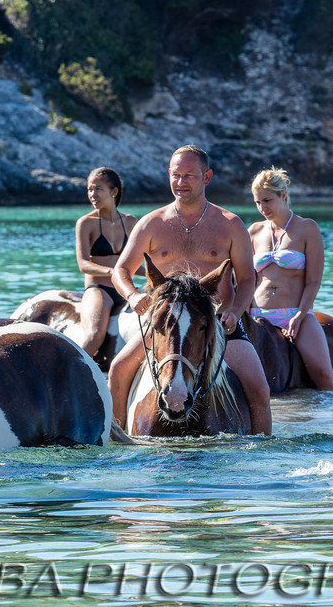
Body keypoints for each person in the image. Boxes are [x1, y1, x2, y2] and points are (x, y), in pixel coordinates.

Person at [109, 146, 272, 435]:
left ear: (206, 177)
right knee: (118, 370)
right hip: (164, 326)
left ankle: (263, 450)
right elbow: (120, 271)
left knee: (259, 387)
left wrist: (235, 312)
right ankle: (116, 441)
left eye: (189, 175)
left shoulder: (230, 224)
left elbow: (248, 278)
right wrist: (133, 295)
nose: (181, 182)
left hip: (219, 325)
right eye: (175, 175)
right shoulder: (151, 223)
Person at [248, 169, 333, 389]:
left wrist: (299, 315)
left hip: (295, 314)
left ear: (283, 195)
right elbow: (247, 279)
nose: (262, 207)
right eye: (258, 202)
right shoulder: (254, 231)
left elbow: (313, 281)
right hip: (257, 316)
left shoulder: (307, 228)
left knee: (324, 375)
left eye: (267, 200)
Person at [68, 167, 139, 356]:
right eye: (90, 189)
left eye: (98, 189)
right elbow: (83, 264)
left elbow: (136, 263)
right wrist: (113, 272)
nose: (93, 194)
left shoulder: (130, 222)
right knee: (94, 336)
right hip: (99, 290)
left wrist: (161, 274)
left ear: (114, 192)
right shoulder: (85, 223)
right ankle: (73, 370)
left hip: (125, 289)